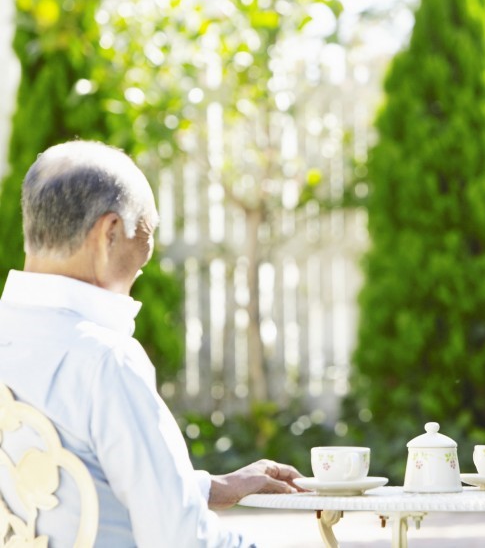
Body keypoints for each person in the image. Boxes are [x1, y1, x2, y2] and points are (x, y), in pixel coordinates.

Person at [0, 140, 306, 546]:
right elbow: (181, 539)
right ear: (110, 233)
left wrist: (206, 487)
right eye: (146, 238)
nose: (143, 265)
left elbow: (66, 491)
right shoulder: (104, 360)